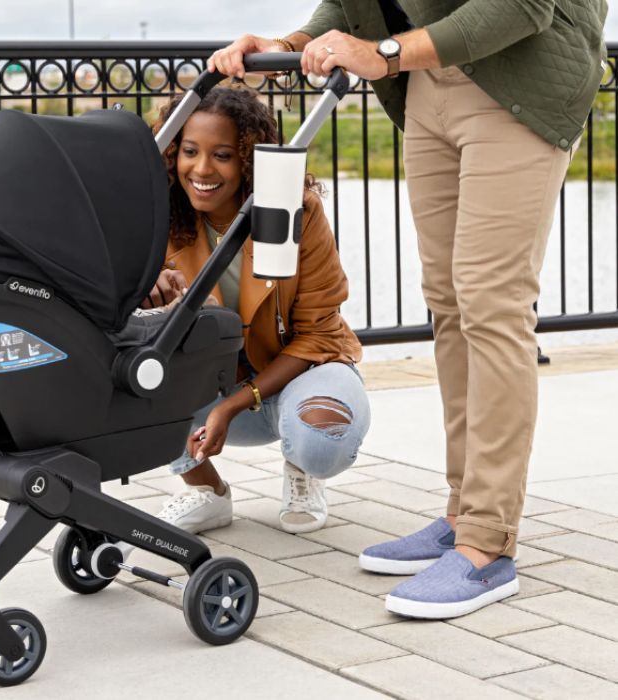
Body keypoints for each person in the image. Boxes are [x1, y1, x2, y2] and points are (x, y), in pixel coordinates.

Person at [207, 0, 607, 619]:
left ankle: (489, 542)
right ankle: (461, 512)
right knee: (449, 307)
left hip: (514, 86)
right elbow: (351, 5)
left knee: (491, 306)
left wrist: (384, 53)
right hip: (428, 88)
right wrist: (292, 41)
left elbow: (523, 6)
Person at [147, 86, 370, 535]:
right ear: (173, 153)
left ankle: (302, 468)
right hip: (211, 382)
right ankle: (206, 492)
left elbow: (320, 334)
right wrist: (144, 292)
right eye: (190, 151)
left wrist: (231, 406)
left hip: (300, 372)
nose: (202, 169)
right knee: (136, 386)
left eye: (223, 155)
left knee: (322, 439)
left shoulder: (297, 212)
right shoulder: (158, 216)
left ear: (249, 160)